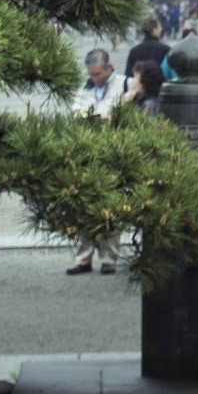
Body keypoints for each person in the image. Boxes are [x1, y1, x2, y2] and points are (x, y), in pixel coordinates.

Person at [66, 52, 126, 276]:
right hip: (86, 149)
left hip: (113, 150)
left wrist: (106, 117)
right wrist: (82, 114)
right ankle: (83, 258)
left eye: (98, 74)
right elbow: (73, 108)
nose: (95, 79)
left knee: (111, 205)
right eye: (91, 75)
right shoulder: (85, 87)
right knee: (84, 206)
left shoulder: (123, 84)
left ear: (109, 67)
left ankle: (109, 257)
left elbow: (126, 113)